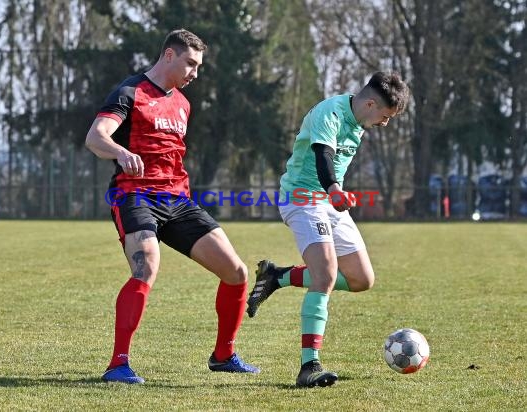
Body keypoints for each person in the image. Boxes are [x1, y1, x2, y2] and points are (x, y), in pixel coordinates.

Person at [85, 29, 259, 384]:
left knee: (237, 272)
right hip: (134, 195)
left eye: (199, 66)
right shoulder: (129, 92)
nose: (195, 72)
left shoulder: (183, 103)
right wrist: (120, 151)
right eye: (190, 63)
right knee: (146, 264)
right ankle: (118, 364)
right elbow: (95, 137)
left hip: (177, 200)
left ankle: (224, 355)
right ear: (168, 55)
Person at [246, 71, 410, 388]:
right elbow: (324, 154)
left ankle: (277, 276)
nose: (385, 124)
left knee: (362, 279)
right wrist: (334, 188)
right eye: (385, 116)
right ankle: (309, 366)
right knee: (325, 275)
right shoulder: (330, 112)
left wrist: (333, 194)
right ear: (371, 103)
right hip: (302, 198)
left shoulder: (360, 124)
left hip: (329, 201)